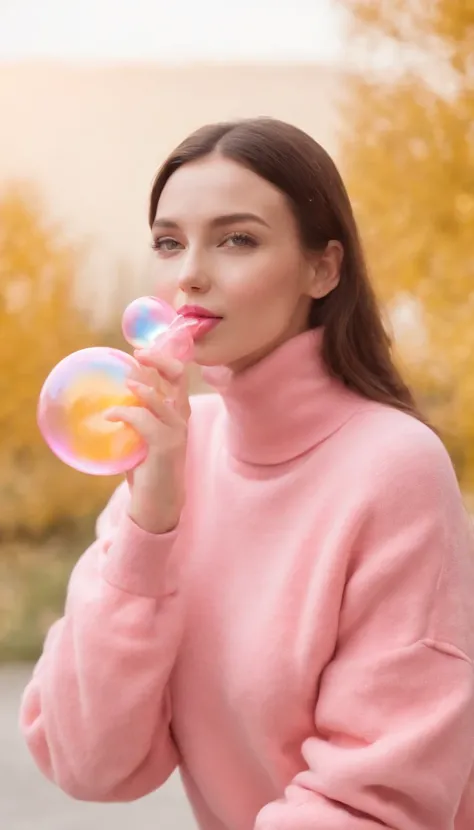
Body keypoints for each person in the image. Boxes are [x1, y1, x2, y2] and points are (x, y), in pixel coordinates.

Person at [20, 117, 474, 830]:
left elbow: (379, 802)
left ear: (324, 269)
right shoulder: (176, 450)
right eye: (169, 242)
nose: (191, 272)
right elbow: (88, 762)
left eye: (238, 239)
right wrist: (149, 524)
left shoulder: (395, 467)